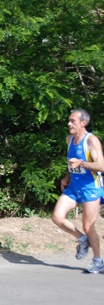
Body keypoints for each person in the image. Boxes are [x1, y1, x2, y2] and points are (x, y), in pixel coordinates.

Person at [51, 109, 104, 273]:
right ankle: (82, 240)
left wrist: (82, 163)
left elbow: (101, 166)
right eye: (69, 120)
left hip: (91, 188)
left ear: (83, 123)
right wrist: (67, 176)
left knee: (88, 226)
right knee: (57, 217)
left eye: (73, 121)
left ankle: (98, 260)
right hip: (74, 186)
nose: (69, 124)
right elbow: (70, 161)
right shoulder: (69, 139)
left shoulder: (91, 141)